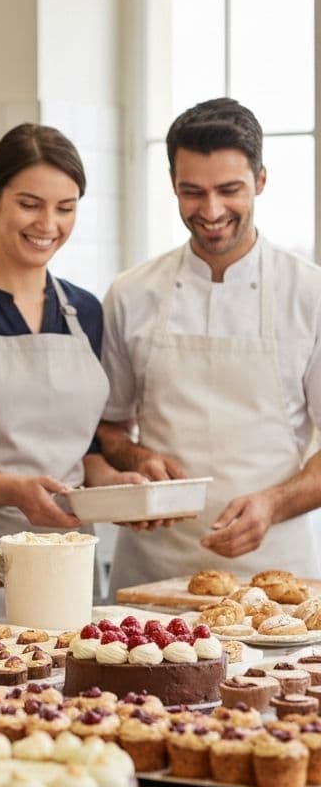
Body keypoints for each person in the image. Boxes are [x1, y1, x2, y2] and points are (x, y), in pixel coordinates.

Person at [0, 123, 143, 625]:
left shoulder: (85, 311)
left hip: (68, 565)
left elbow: (82, 450)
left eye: (66, 207)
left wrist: (118, 485)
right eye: (31, 203)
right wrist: (15, 491)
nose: (48, 224)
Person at [98, 98, 321, 590]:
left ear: (260, 180)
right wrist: (136, 459)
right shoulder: (131, 294)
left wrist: (273, 503)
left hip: (277, 576)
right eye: (192, 192)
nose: (211, 210)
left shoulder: (310, 295)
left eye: (229, 190)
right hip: (152, 577)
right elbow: (108, 429)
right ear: (173, 185)